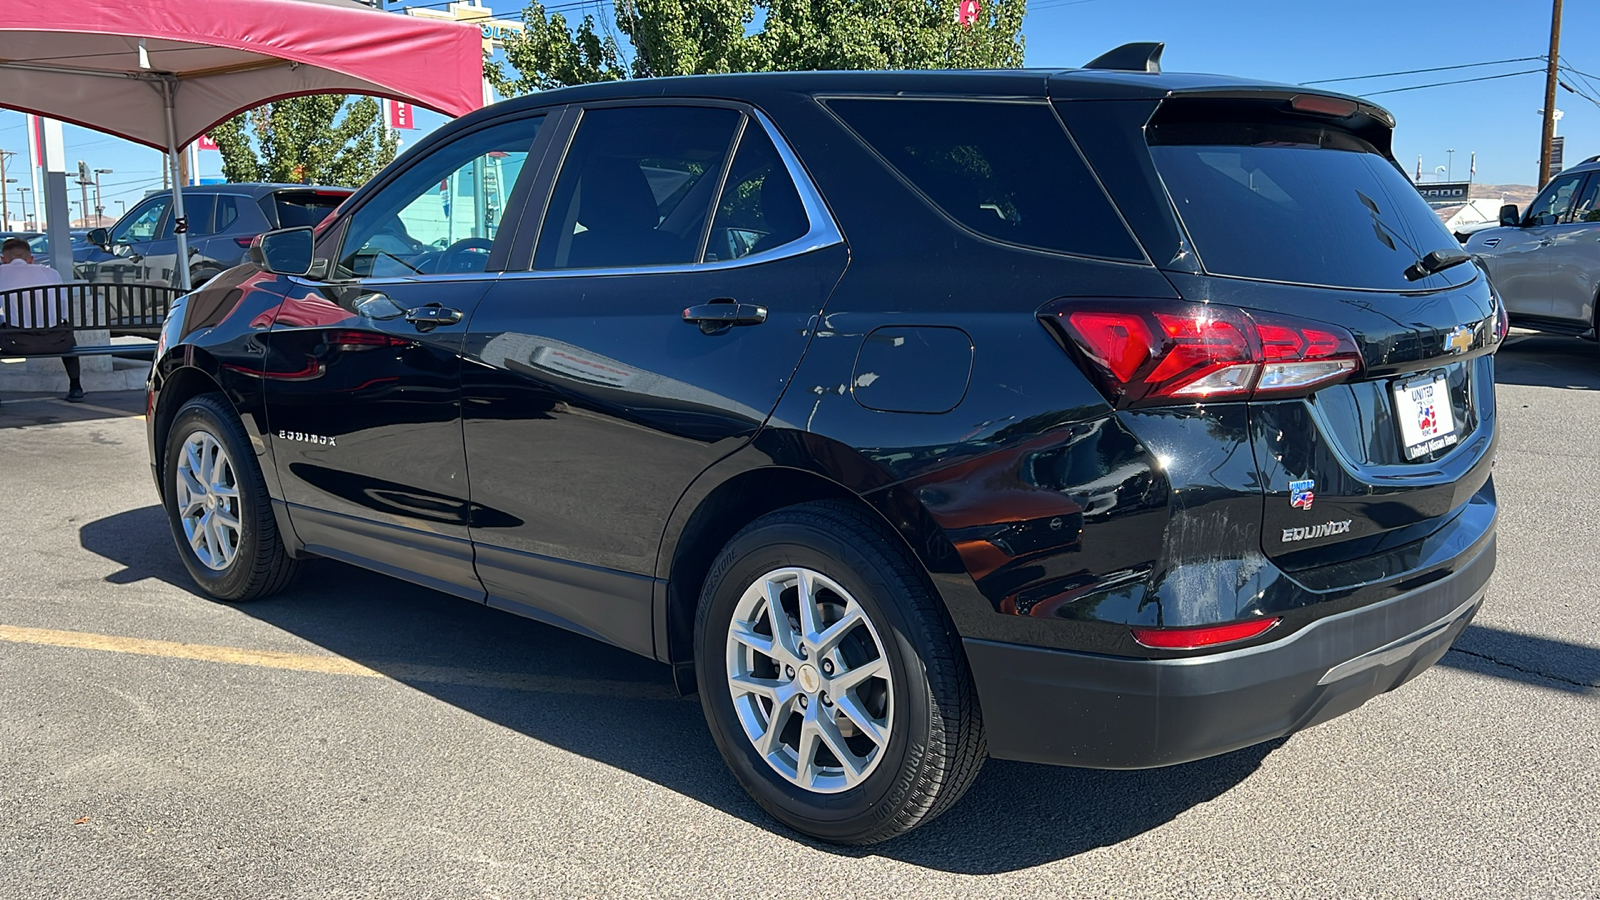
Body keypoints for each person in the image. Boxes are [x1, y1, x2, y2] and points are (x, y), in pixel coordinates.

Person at [0, 236, 82, 402]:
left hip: (16, 344)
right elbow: (63, 310)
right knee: (67, 332)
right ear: (31, 259)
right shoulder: (51, 273)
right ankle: (76, 386)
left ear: (3, 259)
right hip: (57, 342)